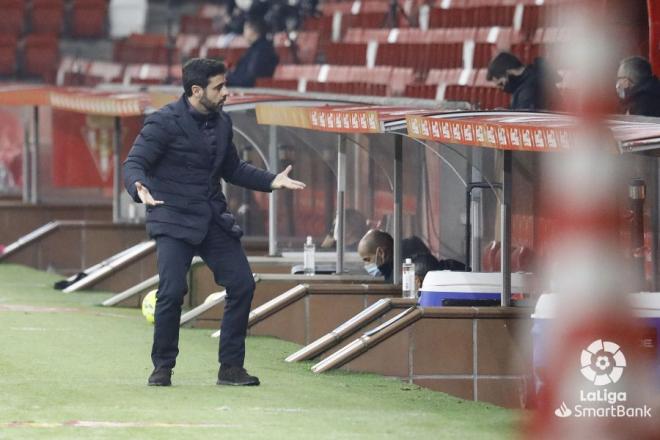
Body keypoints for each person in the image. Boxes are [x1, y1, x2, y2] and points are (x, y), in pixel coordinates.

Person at [123, 58, 305, 387]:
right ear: (196, 90)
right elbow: (135, 161)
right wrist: (138, 186)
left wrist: (271, 181)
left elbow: (232, 169)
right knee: (172, 291)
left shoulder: (222, 124)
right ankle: (162, 366)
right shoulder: (162, 122)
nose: (226, 92)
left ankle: (231, 368)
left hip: (211, 217)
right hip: (172, 216)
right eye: (219, 87)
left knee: (243, 285)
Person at [486, 52, 560, 111]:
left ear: (508, 73)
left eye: (501, 84)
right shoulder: (534, 77)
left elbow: (523, 120)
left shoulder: (528, 88)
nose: (503, 89)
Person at [226, 16, 279, 87]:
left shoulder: (261, 51)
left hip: (254, 91)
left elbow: (249, 80)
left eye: (245, 29)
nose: (243, 33)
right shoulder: (255, 49)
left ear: (252, 30)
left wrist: (226, 80)